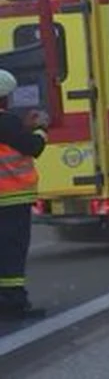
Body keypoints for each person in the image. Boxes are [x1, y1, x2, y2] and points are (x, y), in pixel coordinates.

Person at [0, 69, 49, 321]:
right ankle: (13, 303)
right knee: (12, 251)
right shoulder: (5, 121)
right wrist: (40, 129)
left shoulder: (9, 124)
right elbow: (32, 147)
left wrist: (23, 127)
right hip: (10, 199)